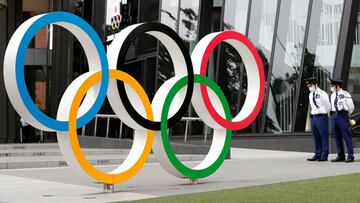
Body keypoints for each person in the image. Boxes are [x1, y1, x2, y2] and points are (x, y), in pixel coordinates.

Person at [305, 77, 331, 162]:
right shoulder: (310, 94)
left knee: (323, 136)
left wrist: (323, 113)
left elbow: (328, 106)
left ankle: (324, 155)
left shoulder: (322, 94)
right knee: (316, 137)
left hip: (321, 116)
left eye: (311, 85)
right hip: (314, 117)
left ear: (316, 84)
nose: (310, 87)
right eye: (308, 86)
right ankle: (317, 153)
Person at [329, 78, 355, 163]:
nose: (331, 87)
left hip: (342, 116)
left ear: (337, 85)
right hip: (334, 117)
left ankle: (350, 156)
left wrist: (345, 115)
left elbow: (351, 107)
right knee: (337, 137)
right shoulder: (332, 95)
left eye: (332, 85)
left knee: (346, 136)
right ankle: (341, 156)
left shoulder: (345, 94)